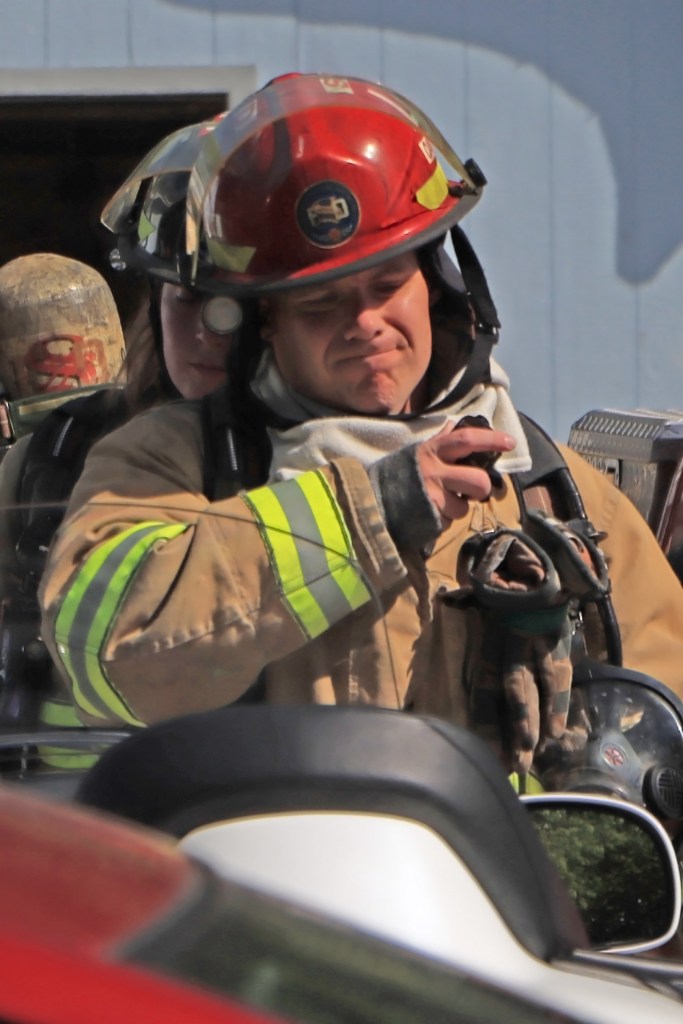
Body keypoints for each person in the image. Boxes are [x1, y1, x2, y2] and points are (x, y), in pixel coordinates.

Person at [38, 73, 683, 778]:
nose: (366, 322)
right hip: (249, 853)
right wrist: (367, 514)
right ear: (266, 325)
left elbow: (662, 719)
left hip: (477, 856)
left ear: (437, 286)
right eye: (321, 303)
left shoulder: (545, 487)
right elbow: (106, 661)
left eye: (387, 285)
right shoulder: (171, 462)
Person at [0, 120, 236, 745]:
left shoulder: (393, 461)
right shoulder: (49, 461)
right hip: (64, 797)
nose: (211, 330)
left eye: (237, 300)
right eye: (184, 297)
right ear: (152, 305)